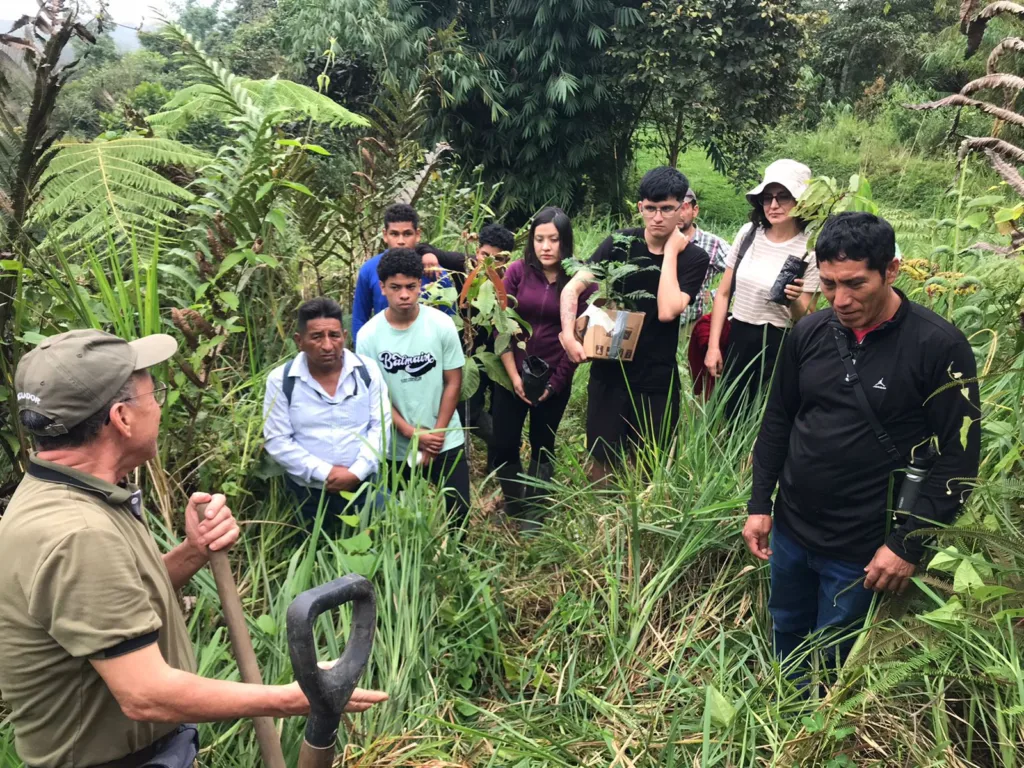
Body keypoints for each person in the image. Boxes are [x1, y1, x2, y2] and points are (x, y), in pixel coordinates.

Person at [0, 329, 386, 768]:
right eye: (154, 393)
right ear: (123, 418)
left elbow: (106, 605)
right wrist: (296, 698)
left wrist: (192, 552)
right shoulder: (78, 532)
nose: (160, 407)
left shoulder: (70, 495)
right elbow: (146, 695)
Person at [742, 212, 981, 673]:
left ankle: (816, 736)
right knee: (786, 626)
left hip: (864, 549)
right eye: (829, 284)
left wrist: (907, 545)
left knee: (836, 654)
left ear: (891, 270)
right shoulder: (809, 332)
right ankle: (781, 712)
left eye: (856, 284)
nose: (841, 299)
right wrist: (759, 503)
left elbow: (960, 459)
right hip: (791, 530)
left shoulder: (939, 346)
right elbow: (778, 420)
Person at [559, 166, 710, 481]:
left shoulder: (693, 258)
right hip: (609, 370)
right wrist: (568, 334)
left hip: (656, 378)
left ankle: (641, 526)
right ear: (640, 207)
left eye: (667, 209)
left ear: (682, 208)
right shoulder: (620, 243)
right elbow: (572, 288)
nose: (657, 217)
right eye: (650, 208)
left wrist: (670, 253)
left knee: (649, 465)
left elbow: (668, 310)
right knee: (601, 462)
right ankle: (602, 525)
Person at [489, 208, 593, 528]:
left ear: (566, 241)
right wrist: (513, 376)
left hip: (554, 375)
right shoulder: (518, 272)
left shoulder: (580, 281)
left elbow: (577, 339)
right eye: (539, 239)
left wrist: (555, 384)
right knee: (503, 442)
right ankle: (515, 502)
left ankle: (535, 513)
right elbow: (501, 325)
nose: (545, 246)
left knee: (542, 443)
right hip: (512, 372)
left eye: (554, 239)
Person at [356, 249, 471, 528]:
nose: (404, 294)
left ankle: (456, 562)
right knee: (394, 520)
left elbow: (453, 381)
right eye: (395, 287)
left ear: (421, 284)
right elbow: (375, 397)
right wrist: (413, 433)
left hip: (445, 437)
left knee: (459, 513)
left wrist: (437, 434)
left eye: (411, 286)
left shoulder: (441, 325)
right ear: (382, 288)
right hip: (395, 444)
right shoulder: (368, 336)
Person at [703, 159, 820, 417]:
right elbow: (723, 294)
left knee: (769, 418)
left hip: (780, 344)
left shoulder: (811, 247)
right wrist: (714, 347)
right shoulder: (749, 233)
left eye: (783, 197)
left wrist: (794, 300)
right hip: (739, 336)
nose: (774, 205)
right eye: (768, 198)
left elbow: (808, 318)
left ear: (801, 201)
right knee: (731, 415)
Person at [263, 297, 390, 531]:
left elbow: (380, 427)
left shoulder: (367, 371)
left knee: (378, 550)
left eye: (334, 335)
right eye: (317, 337)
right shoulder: (281, 380)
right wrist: (326, 473)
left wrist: (356, 472)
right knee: (315, 554)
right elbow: (277, 440)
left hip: (365, 487)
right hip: (308, 494)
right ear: (299, 341)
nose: (328, 345)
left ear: (344, 335)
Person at [420, 223, 518, 447]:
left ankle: (498, 463)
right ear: (477, 251)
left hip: (500, 353)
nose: (488, 263)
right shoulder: (461, 265)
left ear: (506, 259)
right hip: (466, 354)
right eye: (484, 255)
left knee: (501, 407)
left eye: (497, 259)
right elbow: (426, 247)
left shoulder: (511, 279)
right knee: (469, 411)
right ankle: (499, 440)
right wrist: (428, 256)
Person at [351, 203, 452, 344]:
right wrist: (362, 358)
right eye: (394, 234)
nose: (400, 241)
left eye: (407, 234)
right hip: (383, 352)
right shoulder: (369, 270)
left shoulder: (435, 272)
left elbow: (450, 320)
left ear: (417, 234)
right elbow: (359, 318)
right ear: (385, 235)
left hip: (427, 354)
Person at [680, 189, 732, 325]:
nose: (678, 213)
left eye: (683, 207)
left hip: (691, 326)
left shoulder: (713, 243)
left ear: (695, 210)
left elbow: (742, 272)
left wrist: (715, 294)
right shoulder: (658, 241)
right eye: (672, 208)